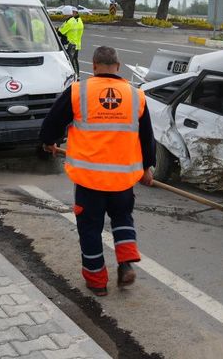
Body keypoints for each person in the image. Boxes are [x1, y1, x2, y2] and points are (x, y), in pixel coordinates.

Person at [39, 46, 156, 297]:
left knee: (90, 228)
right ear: (119, 65)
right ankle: (125, 265)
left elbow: (52, 122)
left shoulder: (78, 92)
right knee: (123, 220)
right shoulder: (136, 96)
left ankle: (97, 282)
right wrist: (147, 168)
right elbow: (147, 137)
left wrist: (50, 141)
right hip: (123, 180)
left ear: (93, 66)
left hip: (89, 179)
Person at [58, 7, 84, 74]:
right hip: (75, 43)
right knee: (73, 61)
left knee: (71, 62)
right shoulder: (77, 20)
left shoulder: (70, 22)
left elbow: (60, 32)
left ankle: (76, 77)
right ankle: (76, 76)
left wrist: (59, 29)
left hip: (70, 44)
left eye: (73, 11)